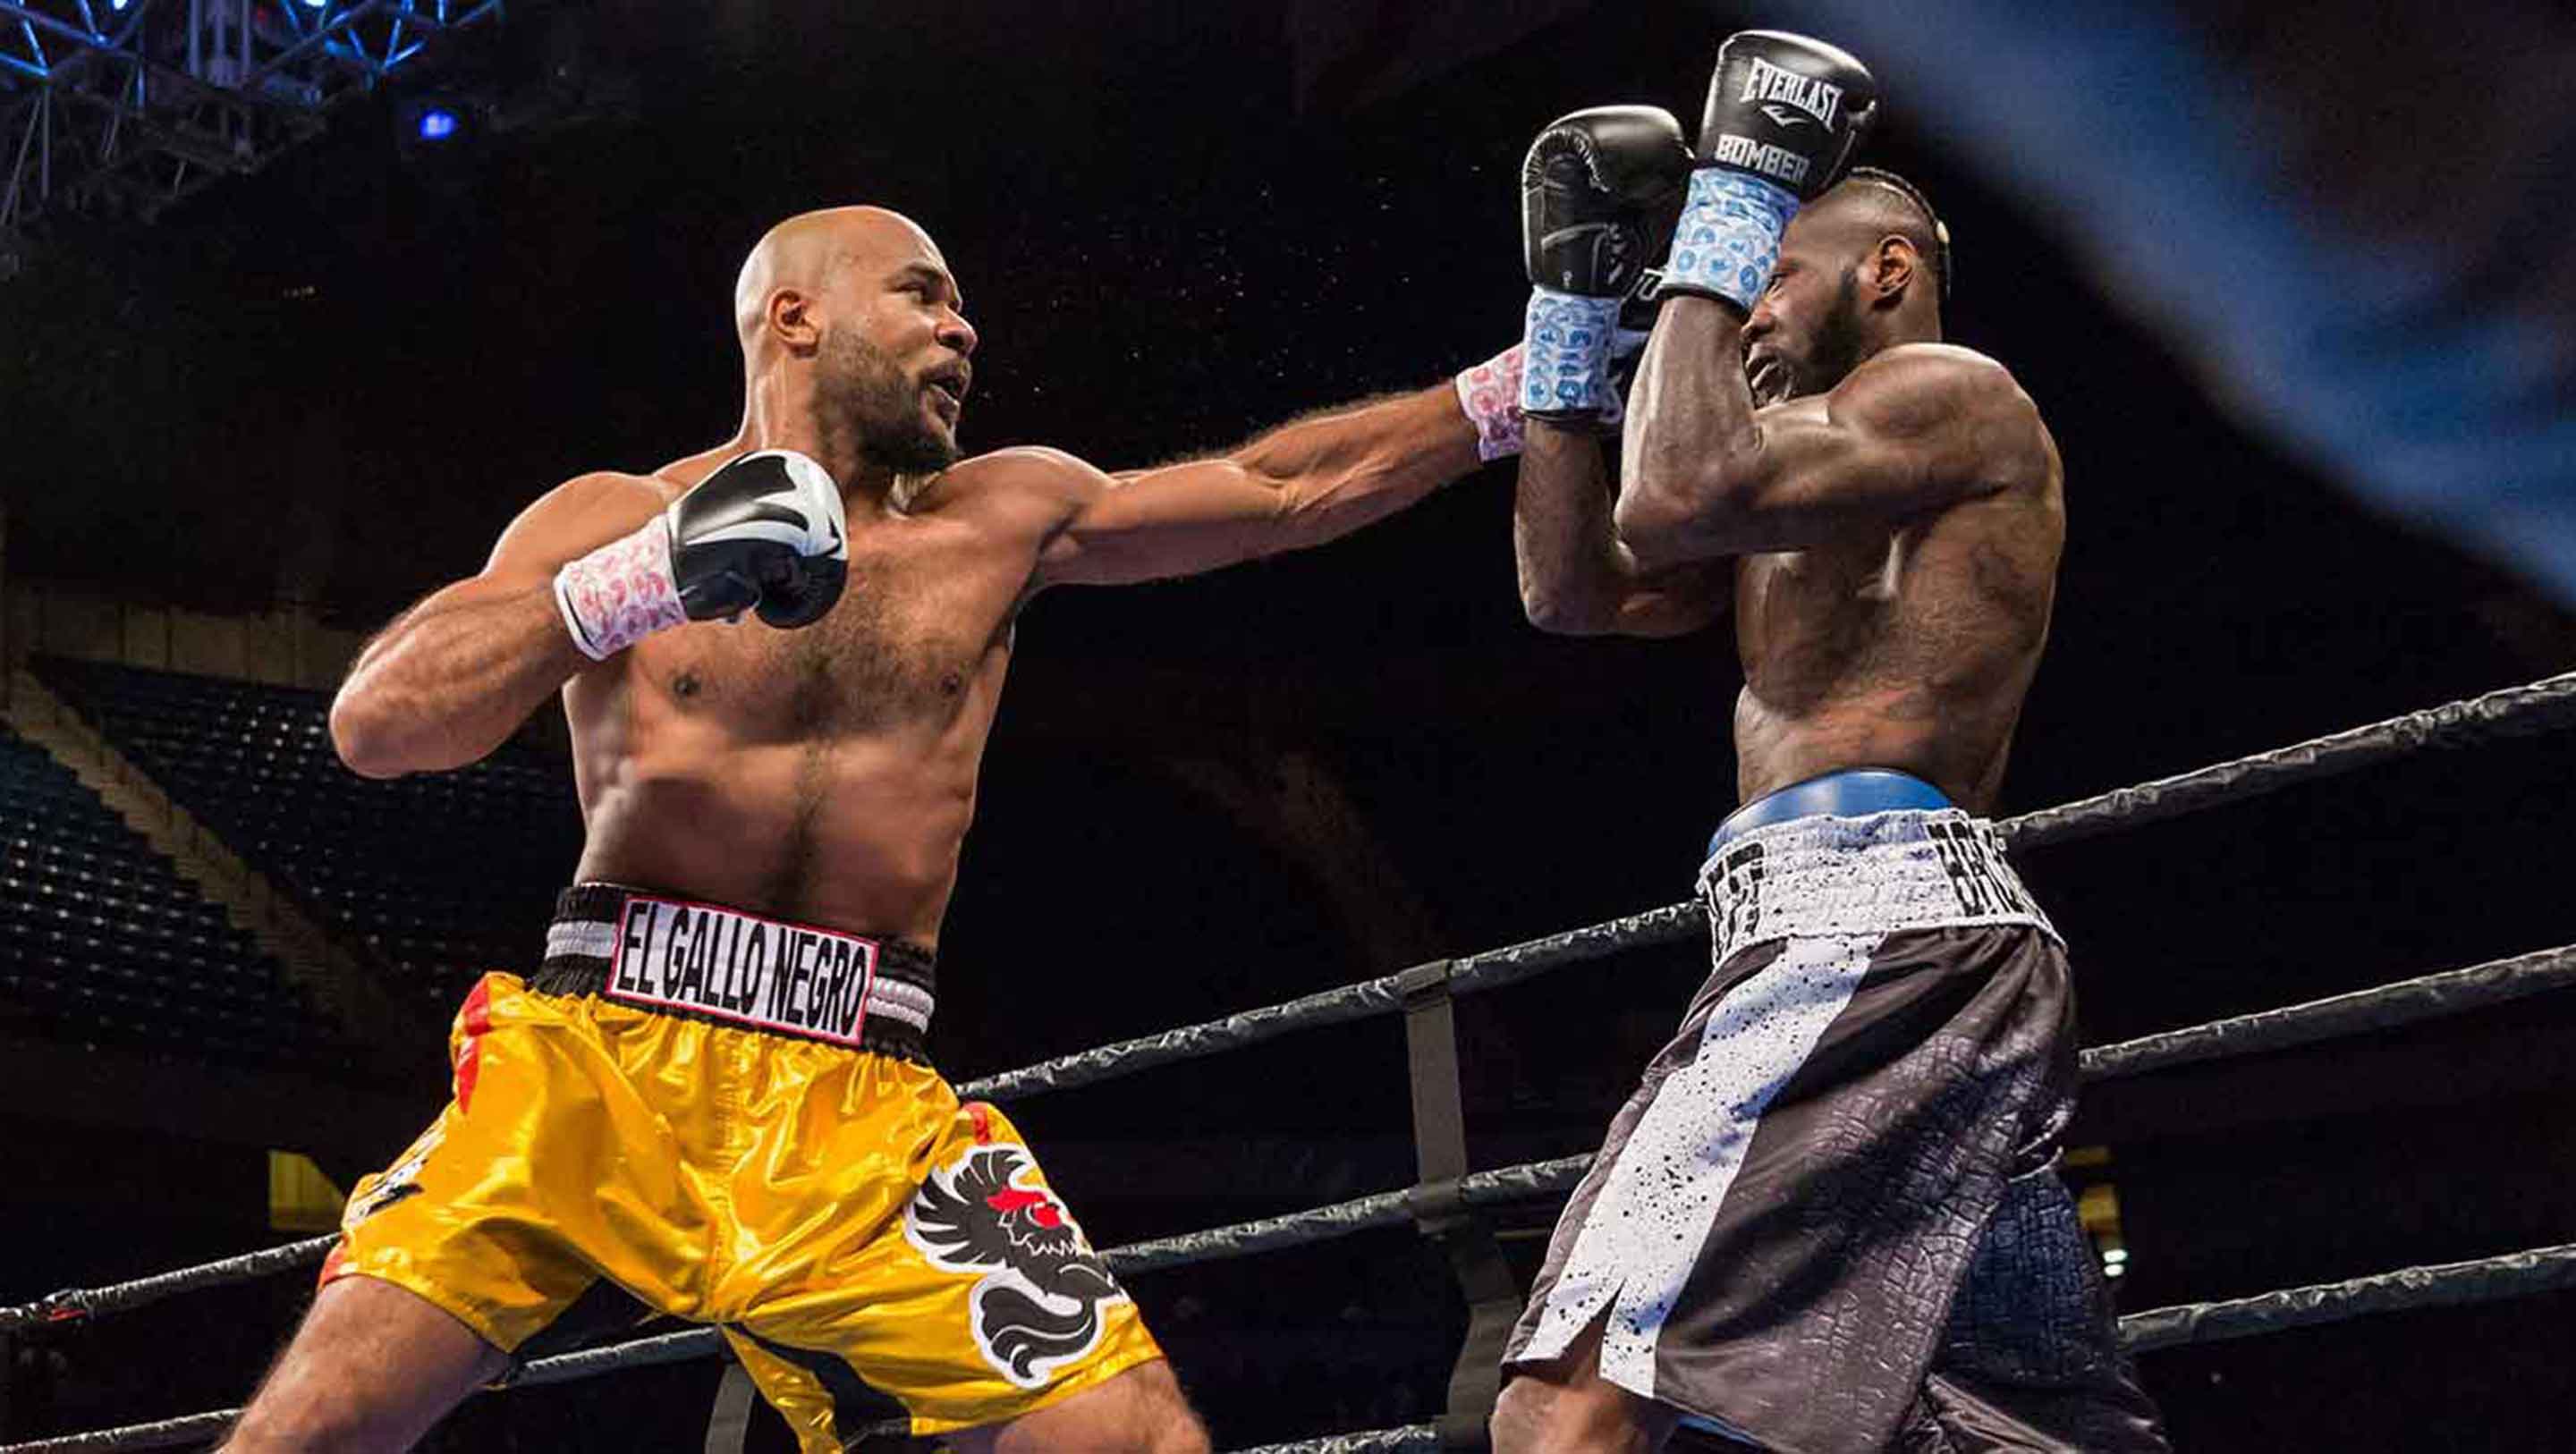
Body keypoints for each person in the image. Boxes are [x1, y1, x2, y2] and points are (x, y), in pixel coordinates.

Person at [226, 205, 1505, 1453]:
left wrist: (1515, 387)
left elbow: (1281, 488)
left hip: (864, 1097)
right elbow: (378, 724)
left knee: (1132, 1433)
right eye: (924, 294)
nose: (965, 330)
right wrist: (649, 575)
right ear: (796, 316)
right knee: (318, 1422)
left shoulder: (1007, 516)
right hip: (587, 1067)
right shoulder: (618, 517)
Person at [1491, 31, 2170, 1452]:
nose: (1736, 301)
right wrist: (1569, 308)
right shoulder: (1787, 469)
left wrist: (1730, 196)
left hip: (1869, 933)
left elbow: (1673, 495)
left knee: (1567, 1400)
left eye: (1769, 268)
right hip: (1896, 953)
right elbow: (1573, 589)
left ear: (1885, 273)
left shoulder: (1957, 399)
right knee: (2006, 1423)